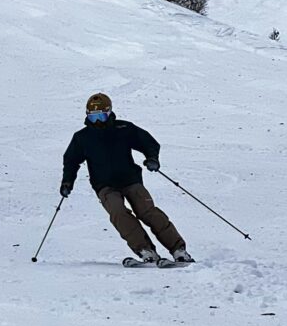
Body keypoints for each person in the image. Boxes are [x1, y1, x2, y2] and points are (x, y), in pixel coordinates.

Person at [60, 93, 192, 264]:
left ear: (109, 112)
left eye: (101, 116)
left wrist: (152, 158)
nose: (98, 121)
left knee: (147, 211)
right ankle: (145, 250)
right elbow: (71, 161)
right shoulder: (82, 137)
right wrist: (67, 182)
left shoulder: (123, 128)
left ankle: (178, 249)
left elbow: (149, 143)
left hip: (130, 179)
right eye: (93, 117)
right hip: (104, 185)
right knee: (118, 212)